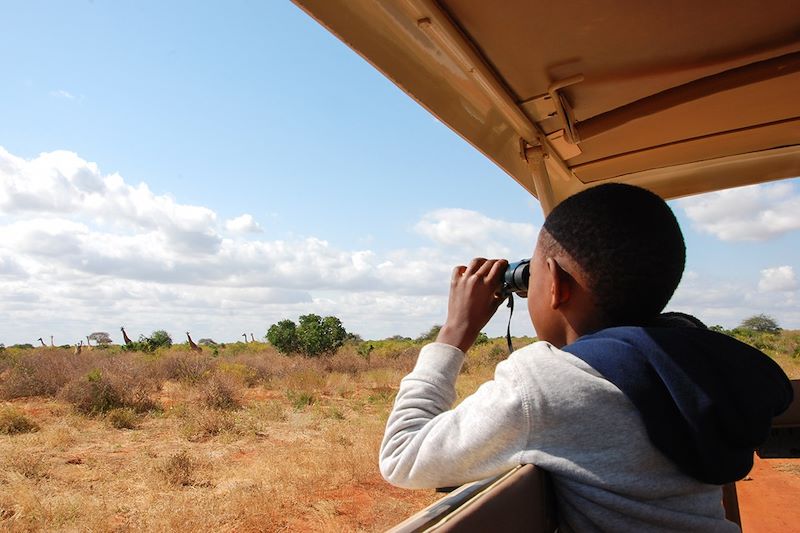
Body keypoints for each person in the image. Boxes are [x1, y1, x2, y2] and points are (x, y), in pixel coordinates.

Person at [379, 183, 793, 532]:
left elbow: (401, 456)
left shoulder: (549, 383)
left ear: (556, 284)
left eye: (533, 274)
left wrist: (454, 332)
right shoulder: (696, 360)